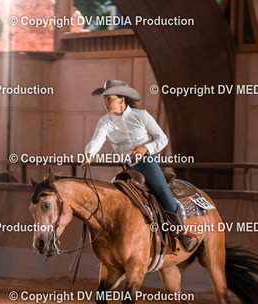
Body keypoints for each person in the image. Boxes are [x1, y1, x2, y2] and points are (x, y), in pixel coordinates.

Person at [81, 79, 197, 252]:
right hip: (127, 169)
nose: (105, 103)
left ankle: (181, 233)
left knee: (162, 190)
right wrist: (89, 154)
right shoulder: (105, 122)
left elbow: (162, 138)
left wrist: (146, 148)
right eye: (104, 99)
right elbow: (97, 140)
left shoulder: (141, 115)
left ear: (122, 99)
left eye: (109, 99)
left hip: (147, 163)